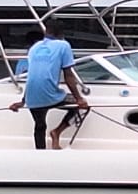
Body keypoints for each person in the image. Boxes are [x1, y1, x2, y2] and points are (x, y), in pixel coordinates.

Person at [9, 19, 89, 150]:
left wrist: (23, 101)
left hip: (32, 97)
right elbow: (69, 75)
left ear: (46, 31)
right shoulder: (64, 45)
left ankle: (40, 154)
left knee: (39, 126)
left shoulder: (34, 48)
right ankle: (57, 132)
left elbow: (33, 76)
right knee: (78, 107)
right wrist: (79, 98)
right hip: (51, 96)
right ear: (61, 33)